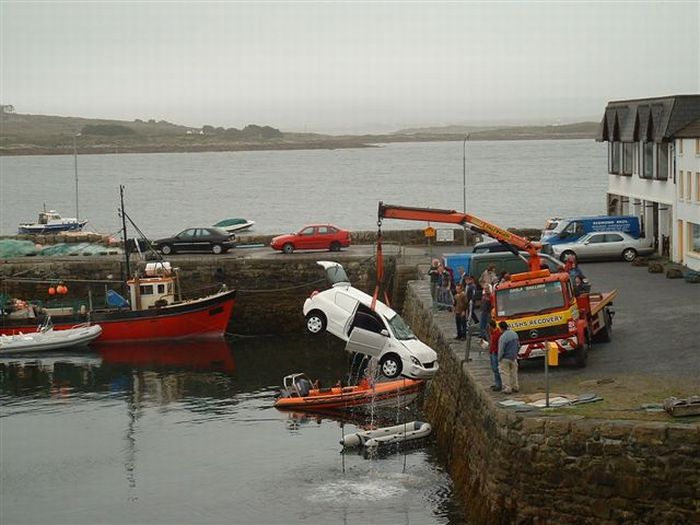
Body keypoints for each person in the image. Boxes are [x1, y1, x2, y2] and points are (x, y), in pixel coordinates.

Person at [497, 321, 520, 394]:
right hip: (513, 357)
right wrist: (516, 353)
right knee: (514, 373)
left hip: (505, 358)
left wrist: (499, 358)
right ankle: (515, 386)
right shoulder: (515, 334)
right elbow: (518, 345)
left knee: (505, 373)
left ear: (501, 328)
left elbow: (501, 350)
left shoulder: (503, 337)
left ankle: (507, 388)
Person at [488, 319, 502, 391]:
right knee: (494, 369)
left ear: (491, 326)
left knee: (496, 369)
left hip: (495, 353)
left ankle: (499, 385)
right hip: (492, 352)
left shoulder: (497, 334)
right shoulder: (493, 333)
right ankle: (497, 384)